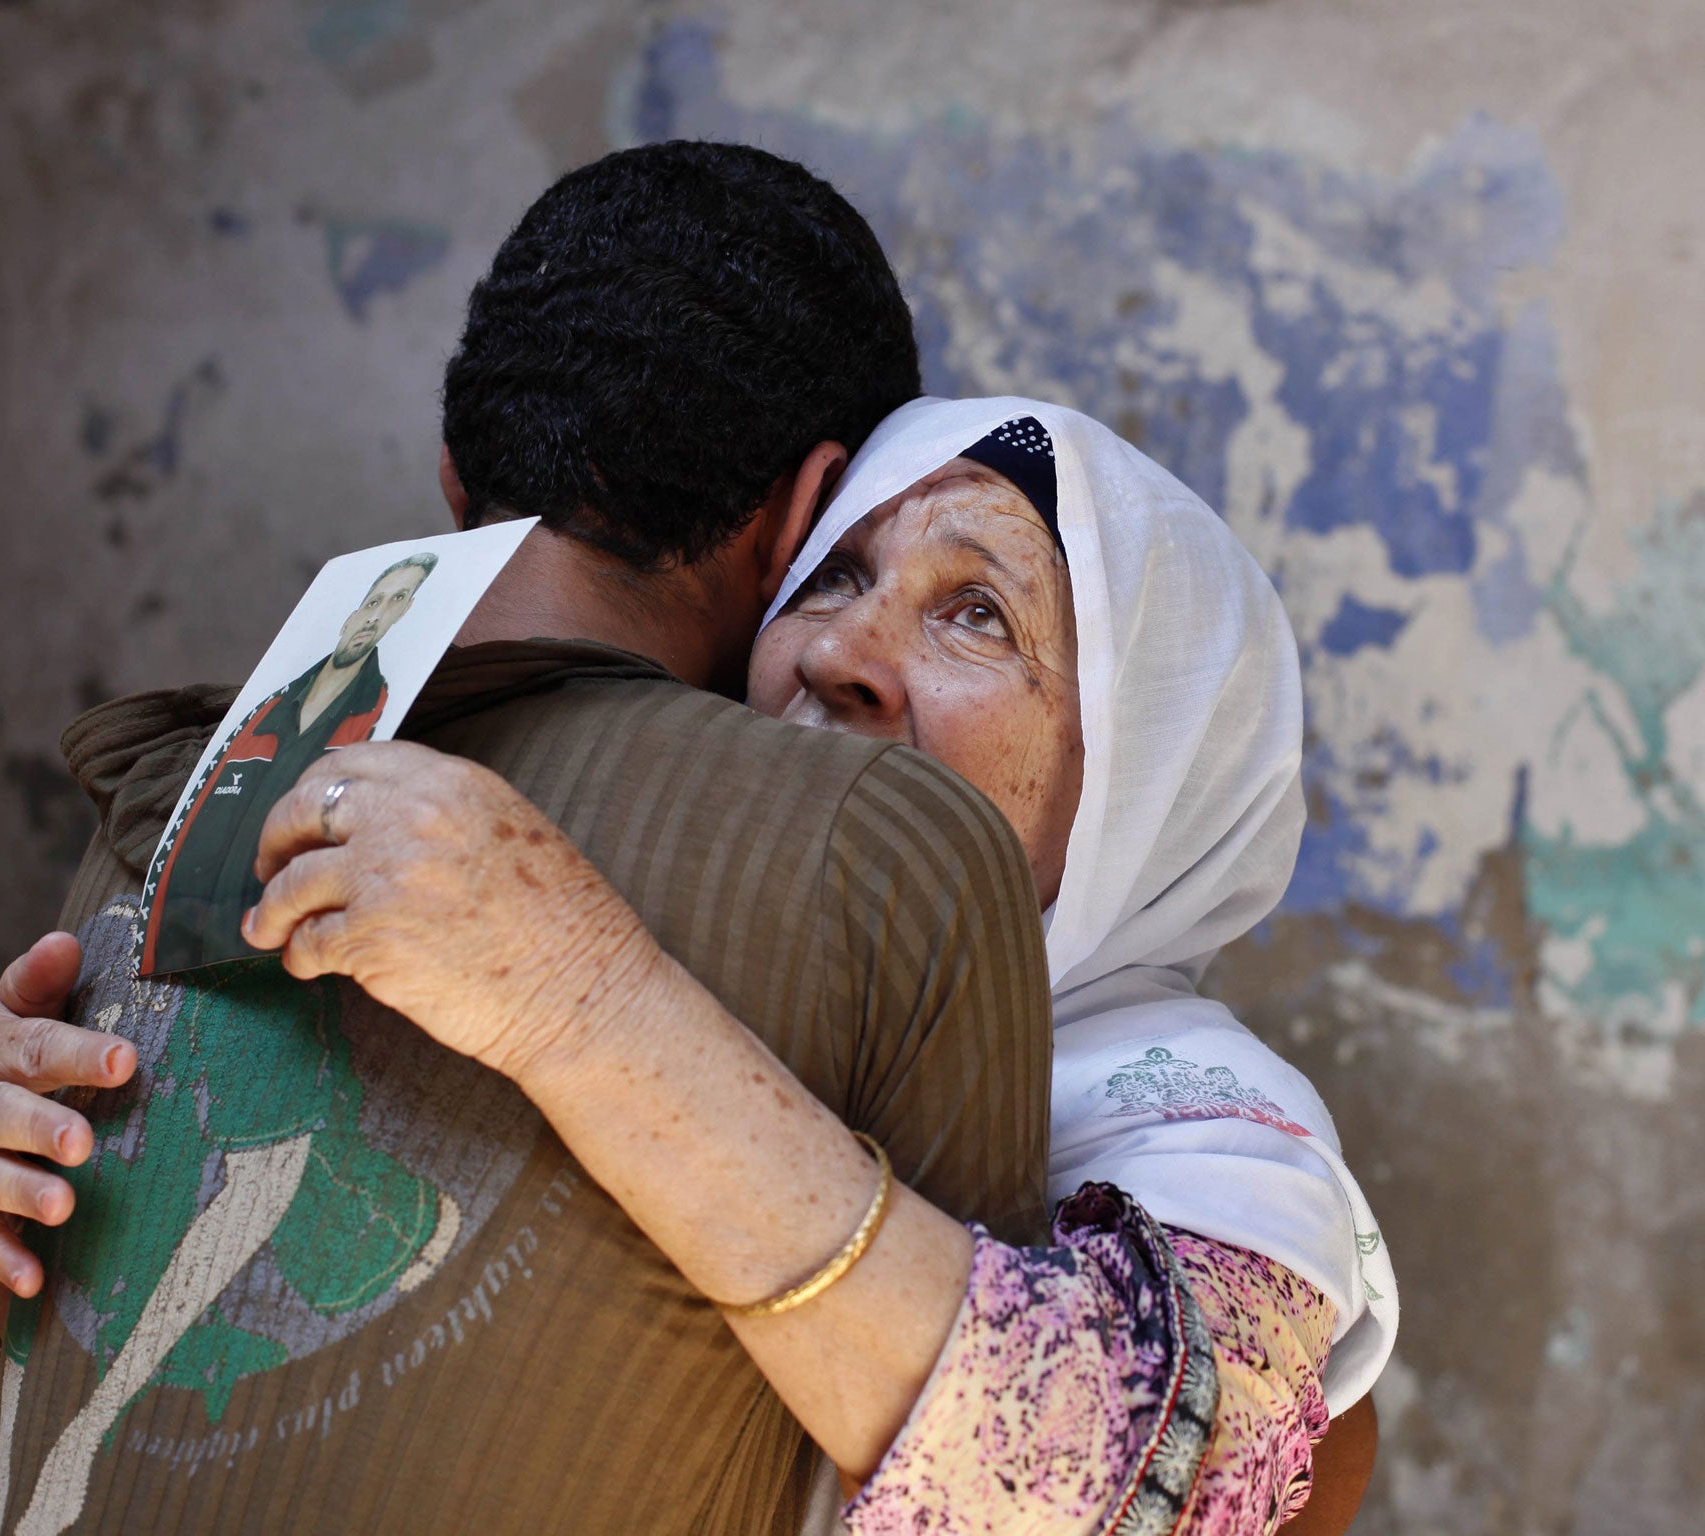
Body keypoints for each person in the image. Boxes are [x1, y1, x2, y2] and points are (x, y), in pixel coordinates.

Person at [0, 142, 1051, 1536]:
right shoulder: (895, 850)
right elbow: (1027, 1477)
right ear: (808, 511)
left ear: (457, 475)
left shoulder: (179, 793)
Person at [234, 395, 1400, 1533]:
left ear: (1145, 784)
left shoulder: (1215, 1148)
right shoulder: (546, 926)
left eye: (978, 614)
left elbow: (1119, 1491)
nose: (840, 652)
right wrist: (90, 1141)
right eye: (832, 577)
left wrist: (574, 1000)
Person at [142, 551, 435, 974]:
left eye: (396, 602)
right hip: (177, 960)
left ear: (404, 614)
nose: (376, 616)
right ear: (351, 616)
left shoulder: (381, 719)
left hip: (276, 976)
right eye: (373, 602)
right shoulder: (261, 712)